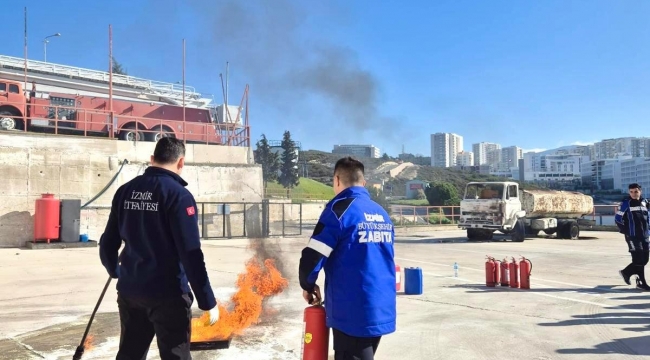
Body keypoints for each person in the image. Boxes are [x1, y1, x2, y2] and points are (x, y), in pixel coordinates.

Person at [99, 137, 219, 360]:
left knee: (129, 354)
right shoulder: (179, 196)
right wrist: (207, 300)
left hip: (130, 291)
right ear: (181, 162)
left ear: (152, 159)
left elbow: (107, 242)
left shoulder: (125, 191)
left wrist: (116, 271)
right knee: (175, 355)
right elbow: (191, 253)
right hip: (168, 295)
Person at [298, 156, 396, 360]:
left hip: (352, 311)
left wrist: (308, 285)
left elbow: (313, 255)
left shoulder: (339, 211)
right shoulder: (381, 213)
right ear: (364, 183)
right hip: (380, 307)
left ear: (336, 180)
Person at [617, 183, 650, 291]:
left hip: (645, 236)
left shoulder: (645, 203)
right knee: (638, 259)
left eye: (636, 191)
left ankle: (626, 272)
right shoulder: (626, 203)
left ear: (640, 191)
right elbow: (618, 219)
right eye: (631, 192)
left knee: (645, 259)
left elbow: (648, 218)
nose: (634, 194)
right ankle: (641, 283)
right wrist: (626, 232)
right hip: (632, 236)